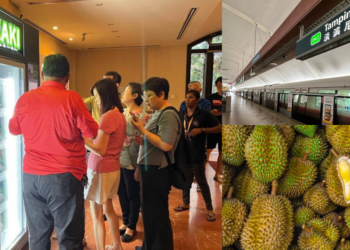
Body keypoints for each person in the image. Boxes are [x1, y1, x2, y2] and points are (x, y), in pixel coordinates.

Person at [8, 54, 99, 250]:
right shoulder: (72, 98)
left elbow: (13, 129)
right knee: (69, 239)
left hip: (31, 177)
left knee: (38, 235)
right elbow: (92, 131)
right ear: (67, 77)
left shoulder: (25, 99)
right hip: (64, 176)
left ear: (42, 75)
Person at [131, 77, 181, 250]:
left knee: (157, 214)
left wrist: (143, 130)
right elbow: (153, 141)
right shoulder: (158, 113)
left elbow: (166, 144)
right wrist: (142, 138)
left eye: (149, 96)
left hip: (158, 171)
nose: (146, 100)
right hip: (150, 168)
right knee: (150, 213)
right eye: (144, 96)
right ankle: (149, 246)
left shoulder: (168, 114)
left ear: (162, 94)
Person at [84, 78, 126, 250]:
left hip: (100, 169)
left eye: (97, 97)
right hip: (113, 168)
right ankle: (117, 245)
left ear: (105, 96)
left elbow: (100, 150)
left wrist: (81, 137)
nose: (97, 101)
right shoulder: (119, 114)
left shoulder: (107, 117)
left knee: (96, 214)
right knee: (108, 208)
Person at [174, 90, 221, 222]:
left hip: (197, 153)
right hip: (183, 152)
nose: (187, 100)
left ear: (198, 100)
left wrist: (202, 130)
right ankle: (185, 203)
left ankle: (210, 209)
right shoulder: (181, 114)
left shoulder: (204, 114)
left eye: (191, 97)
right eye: (186, 97)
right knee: (185, 179)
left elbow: (219, 127)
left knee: (201, 181)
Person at [118, 82, 150, 242]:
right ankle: (125, 221)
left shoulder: (143, 116)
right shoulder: (121, 112)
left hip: (133, 157)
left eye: (126, 91)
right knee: (121, 191)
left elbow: (144, 142)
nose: (123, 93)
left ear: (135, 95)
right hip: (119, 158)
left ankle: (132, 225)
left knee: (132, 192)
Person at [206, 77, 223, 183]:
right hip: (212, 127)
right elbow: (205, 110)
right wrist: (211, 112)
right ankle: (202, 175)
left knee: (222, 152)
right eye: (219, 86)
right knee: (208, 150)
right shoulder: (210, 97)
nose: (221, 89)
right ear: (216, 86)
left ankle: (218, 174)